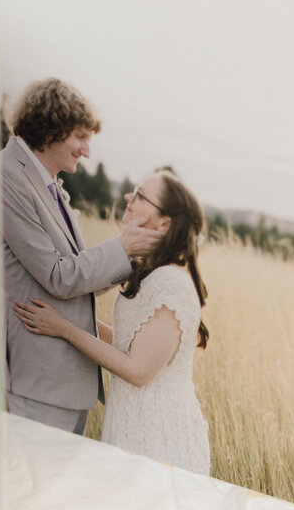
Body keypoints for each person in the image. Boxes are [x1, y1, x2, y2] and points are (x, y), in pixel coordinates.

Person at [13, 169, 211, 475]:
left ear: (165, 222)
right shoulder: (153, 272)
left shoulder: (171, 281)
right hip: (132, 423)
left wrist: (63, 329)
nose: (129, 197)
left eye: (142, 196)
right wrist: (66, 318)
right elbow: (126, 344)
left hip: (158, 436)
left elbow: (138, 370)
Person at [0, 78, 160, 435]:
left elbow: (78, 283)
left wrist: (130, 257)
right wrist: (123, 248)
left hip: (65, 386)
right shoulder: (6, 176)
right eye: (81, 137)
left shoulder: (48, 183)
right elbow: (60, 277)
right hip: (37, 384)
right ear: (52, 130)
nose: (87, 151)